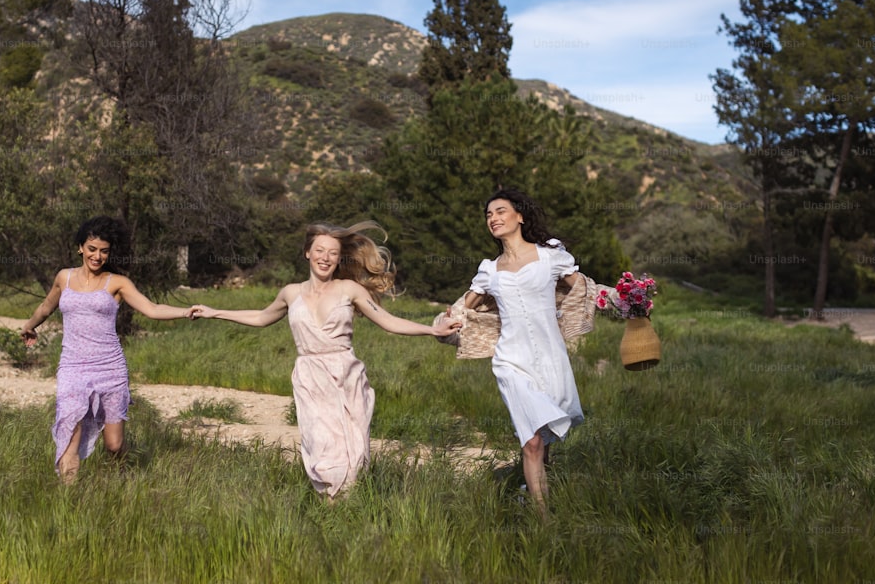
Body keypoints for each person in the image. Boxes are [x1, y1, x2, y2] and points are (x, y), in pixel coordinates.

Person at [190, 221, 461, 501]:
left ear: (339, 258)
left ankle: (346, 507)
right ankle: (328, 501)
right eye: (319, 250)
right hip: (310, 376)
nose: (326, 257)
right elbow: (261, 317)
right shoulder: (291, 292)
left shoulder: (349, 290)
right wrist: (215, 312)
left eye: (332, 253)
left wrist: (432, 330)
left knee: (352, 448)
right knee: (320, 445)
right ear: (307, 252)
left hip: (347, 375)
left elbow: (388, 321)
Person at [20, 216, 195, 484]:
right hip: (72, 367)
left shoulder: (117, 283)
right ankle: (68, 500)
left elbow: (151, 308)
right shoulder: (63, 278)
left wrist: (185, 311)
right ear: (81, 247)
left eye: (104, 251)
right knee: (70, 429)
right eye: (92, 249)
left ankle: (121, 478)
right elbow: (46, 306)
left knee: (114, 445)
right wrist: (30, 326)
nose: (97, 256)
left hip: (110, 368)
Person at [461, 189, 584, 516]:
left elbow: (584, 288)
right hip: (510, 361)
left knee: (542, 440)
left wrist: (626, 300)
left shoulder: (550, 256)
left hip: (550, 359)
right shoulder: (489, 269)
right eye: (488, 215)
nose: (493, 219)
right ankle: (543, 521)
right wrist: (443, 323)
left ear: (521, 216)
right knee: (531, 442)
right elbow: (461, 307)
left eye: (500, 211)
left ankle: (530, 492)